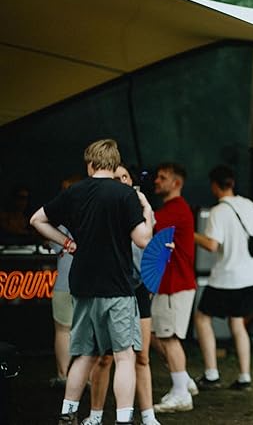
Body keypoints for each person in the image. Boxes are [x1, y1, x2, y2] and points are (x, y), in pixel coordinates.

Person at [30, 139, 154, 425]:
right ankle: (123, 419)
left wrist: (67, 243)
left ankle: (67, 414)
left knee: (84, 355)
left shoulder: (74, 192)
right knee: (123, 356)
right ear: (114, 163)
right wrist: (147, 212)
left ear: (90, 163)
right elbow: (143, 240)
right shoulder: (125, 195)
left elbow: (37, 220)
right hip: (117, 287)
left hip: (82, 285)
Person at [83, 164, 160, 425]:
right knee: (104, 357)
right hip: (111, 287)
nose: (121, 181)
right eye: (115, 178)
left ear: (131, 181)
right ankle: (95, 415)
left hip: (137, 289)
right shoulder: (100, 210)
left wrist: (159, 257)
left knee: (142, 356)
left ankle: (148, 416)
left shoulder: (142, 209)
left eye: (124, 177)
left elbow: (150, 249)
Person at [193, 165, 253, 391]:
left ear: (214, 186)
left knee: (202, 318)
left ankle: (211, 374)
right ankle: (244, 377)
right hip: (249, 277)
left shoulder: (218, 211)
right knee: (238, 323)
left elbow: (212, 245)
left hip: (226, 277)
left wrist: (190, 234)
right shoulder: (248, 204)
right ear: (232, 183)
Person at [150, 162, 198, 414]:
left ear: (176, 183)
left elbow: (146, 226)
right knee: (157, 335)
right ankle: (183, 381)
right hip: (168, 284)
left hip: (175, 285)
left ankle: (181, 393)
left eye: (162, 177)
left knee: (169, 338)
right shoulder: (172, 209)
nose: (156, 181)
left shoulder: (176, 209)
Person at [47, 175, 82, 389]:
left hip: (65, 283)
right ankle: (87, 378)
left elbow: (53, 244)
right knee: (88, 332)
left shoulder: (62, 220)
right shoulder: (93, 216)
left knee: (62, 330)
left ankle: (63, 376)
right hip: (89, 283)